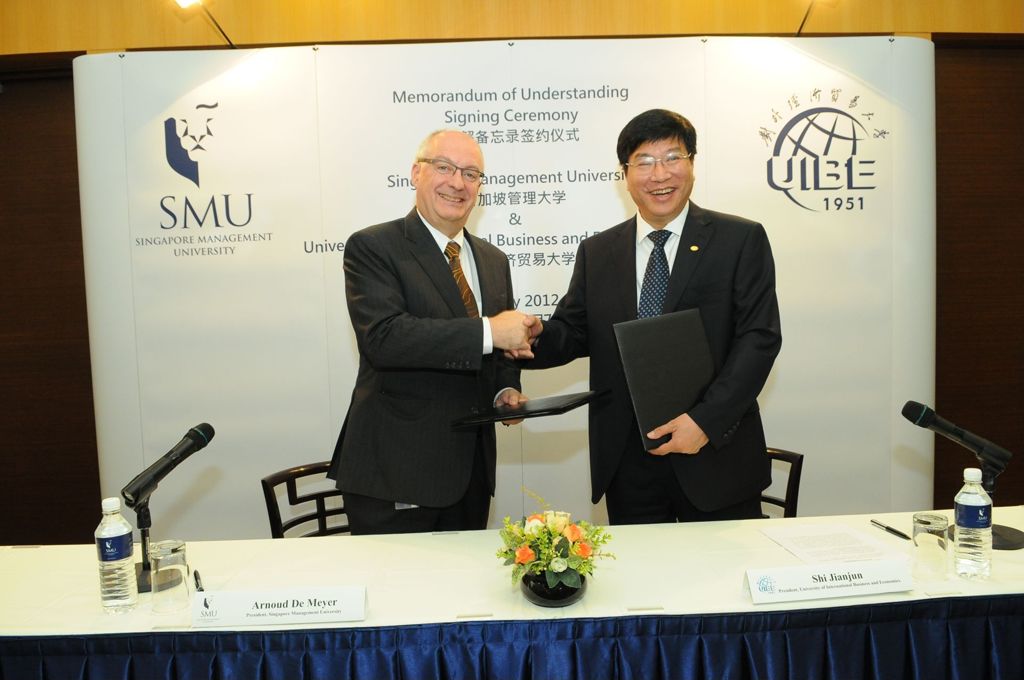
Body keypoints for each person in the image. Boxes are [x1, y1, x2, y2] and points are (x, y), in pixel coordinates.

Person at [524, 109, 782, 524]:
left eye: (672, 158)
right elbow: (572, 333)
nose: (659, 174)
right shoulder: (599, 252)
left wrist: (705, 422)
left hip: (714, 452)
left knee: (723, 583)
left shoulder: (739, 239)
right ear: (624, 174)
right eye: (644, 162)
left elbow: (759, 339)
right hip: (630, 461)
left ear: (692, 164)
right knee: (640, 585)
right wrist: (530, 336)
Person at [328, 130, 536, 535]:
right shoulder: (374, 246)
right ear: (415, 173)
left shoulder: (494, 260)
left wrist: (503, 390)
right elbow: (384, 339)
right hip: (397, 471)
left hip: (472, 474)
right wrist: (491, 331)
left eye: (471, 173)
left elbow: (498, 353)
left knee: (464, 595)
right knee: (396, 594)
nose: (457, 183)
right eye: (444, 168)